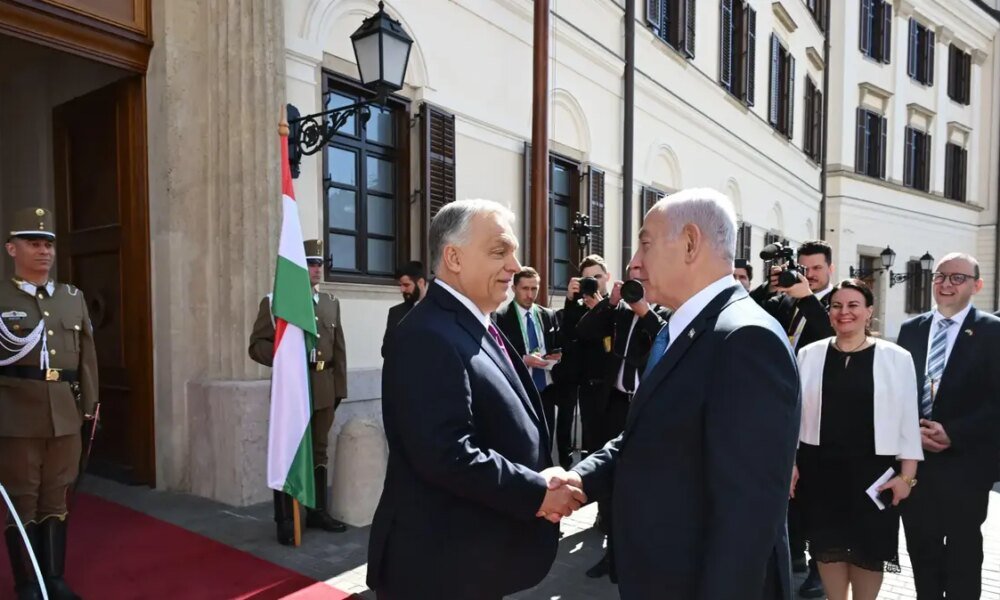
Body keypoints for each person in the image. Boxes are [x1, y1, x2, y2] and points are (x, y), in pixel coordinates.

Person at [552, 188, 800, 599]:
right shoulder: (687, 327)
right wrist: (579, 478)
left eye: (645, 244)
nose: (634, 263)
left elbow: (748, 515)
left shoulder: (745, 338)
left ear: (690, 243)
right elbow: (648, 435)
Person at [367, 199, 584, 599]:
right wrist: (536, 492)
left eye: (513, 252)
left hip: (472, 560)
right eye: (499, 251)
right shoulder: (427, 335)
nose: (515, 265)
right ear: (454, 258)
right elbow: (446, 453)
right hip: (439, 570)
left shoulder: (474, 322)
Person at [792, 279, 922, 600]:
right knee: (827, 551)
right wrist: (791, 463)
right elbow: (793, 416)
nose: (844, 312)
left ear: (868, 312)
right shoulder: (808, 354)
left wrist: (907, 477)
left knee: (869, 552)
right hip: (820, 473)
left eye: (853, 305)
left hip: (875, 476)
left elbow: (908, 420)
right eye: (836, 306)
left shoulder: (897, 357)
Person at [0, 207, 98, 600]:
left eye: (48, 244)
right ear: (12, 248)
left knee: (57, 496)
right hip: (15, 415)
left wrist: (90, 408)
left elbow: (86, 357)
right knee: (23, 499)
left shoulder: (72, 298)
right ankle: (28, 584)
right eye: (33, 243)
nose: (43, 251)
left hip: (65, 413)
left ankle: (53, 579)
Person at [895, 253, 1000, 599]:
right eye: (941, 276)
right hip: (917, 463)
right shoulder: (911, 329)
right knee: (921, 548)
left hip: (966, 464)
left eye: (957, 277)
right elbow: (899, 391)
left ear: (977, 285)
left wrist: (954, 433)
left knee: (962, 553)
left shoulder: (993, 331)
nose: (946, 284)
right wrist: (912, 432)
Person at [249, 239, 348, 543]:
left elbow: (339, 350)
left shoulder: (331, 302)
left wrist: (338, 391)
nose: (317, 269)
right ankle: (285, 518)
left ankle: (316, 511)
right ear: (297, 267)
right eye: (311, 264)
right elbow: (256, 346)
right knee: (288, 452)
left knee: (319, 450)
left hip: (323, 388)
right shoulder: (275, 303)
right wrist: (284, 354)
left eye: (320, 263)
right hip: (292, 389)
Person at [575, 270, 669, 581]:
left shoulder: (666, 311)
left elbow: (669, 338)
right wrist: (610, 302)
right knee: (612, 482)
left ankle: (642, 554)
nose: (636, 286)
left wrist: (645, 311)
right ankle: (613, 554)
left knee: (643, 484)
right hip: (614, 403)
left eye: (642, 280)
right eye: (632, 280)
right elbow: (585, 330)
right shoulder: (618, 312)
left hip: (646, 409)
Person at [760, 239, 836, 597]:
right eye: (804, 268)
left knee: (819, 492)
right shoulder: (787, 301)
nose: (811, 275)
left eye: (817, 268)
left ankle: (821, 569)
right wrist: (772, 286)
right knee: (789, 486)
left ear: (830, 269)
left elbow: (834, 338)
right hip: (785, 404)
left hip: (822, 408)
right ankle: (795, 555)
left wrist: (807, 298)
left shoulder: (838, 301)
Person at [494, 267, 567, 464]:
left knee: (547, 440)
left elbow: (557, 344)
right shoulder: (501, 317)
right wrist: (524, 359)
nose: (530, 294)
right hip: (521, 389)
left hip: (547, 389)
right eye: (525, 288)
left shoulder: (547, 315)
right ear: (514, 288)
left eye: (534, 288)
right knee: (523, 442)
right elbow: (499, 355)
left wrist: (556, 356)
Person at [566, 255, 615, 457]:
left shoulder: (616, 305)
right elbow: (568, 338)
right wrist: (570, 301)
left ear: (607, 277)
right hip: (587, 387)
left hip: (612, 388)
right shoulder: (577, 308)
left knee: (611, 445)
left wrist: (601, 310)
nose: (594, 282)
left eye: (598, 277)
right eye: (588, 278)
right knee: (591, 444)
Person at [381, 261, 427, 358]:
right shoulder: (395, 312)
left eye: (406, 285)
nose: (402, 290)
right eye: (400, 285)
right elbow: (385, 351)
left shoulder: (438, 311)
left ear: (421, 282)